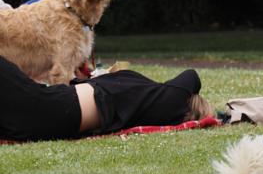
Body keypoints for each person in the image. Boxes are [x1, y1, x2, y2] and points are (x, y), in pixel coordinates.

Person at [0, 54, 213, 142]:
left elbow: (191, 76)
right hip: (50, 110)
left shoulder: (171, 101)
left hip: (49, 108)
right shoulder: (148, 99)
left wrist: (203, 107)